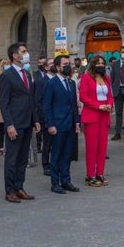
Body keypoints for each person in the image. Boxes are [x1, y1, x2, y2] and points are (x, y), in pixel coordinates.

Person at [0, 42, 40, 203]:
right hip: (14, 124)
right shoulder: (7, 76)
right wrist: (9, 125)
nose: (26, 54)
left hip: (27, 122)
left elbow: (31, 99)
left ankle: (19, 187)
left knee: (23, 159)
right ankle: (9, 190)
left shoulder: (26, 74)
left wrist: (35, 120)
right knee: (12, 158)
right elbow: (4, 103)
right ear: (15, 56)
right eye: (23, 52)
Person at [43, 55, 81, 194]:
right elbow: (47, 106)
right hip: (58, 125)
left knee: (67, 154)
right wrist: (50, 124)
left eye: (69, 64)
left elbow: (74, 105)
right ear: (58, 67)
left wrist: (77, 122)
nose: (68, 66)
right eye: (65, 64)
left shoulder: (71, 83)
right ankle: (55, 183)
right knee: (57, 155)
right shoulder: (51, 83)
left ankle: (66, 181)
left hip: (70, 124)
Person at [79, 55, 113, 187]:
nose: (101, 65)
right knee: (92, 147)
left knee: (102, 146)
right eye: (98, 63)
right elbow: (83, 96)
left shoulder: (107, 78)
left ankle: (100, 173)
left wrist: (109, 104)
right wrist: (98, 105)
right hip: (92, 115)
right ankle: (90, 175)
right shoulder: (86, 78)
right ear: (93, 65)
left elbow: (110, 95)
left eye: (102, 63)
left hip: (104, 115)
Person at [35, 57, 55, 175]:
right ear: (46, 67)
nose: (53, 65)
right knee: (47, 142)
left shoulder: (59, 80)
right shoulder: (41, 81)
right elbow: (38, 101)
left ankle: (55, 163)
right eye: (51, 64)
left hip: (58, 116)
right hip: (46, 116)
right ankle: (46, 165)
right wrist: (44, 116)